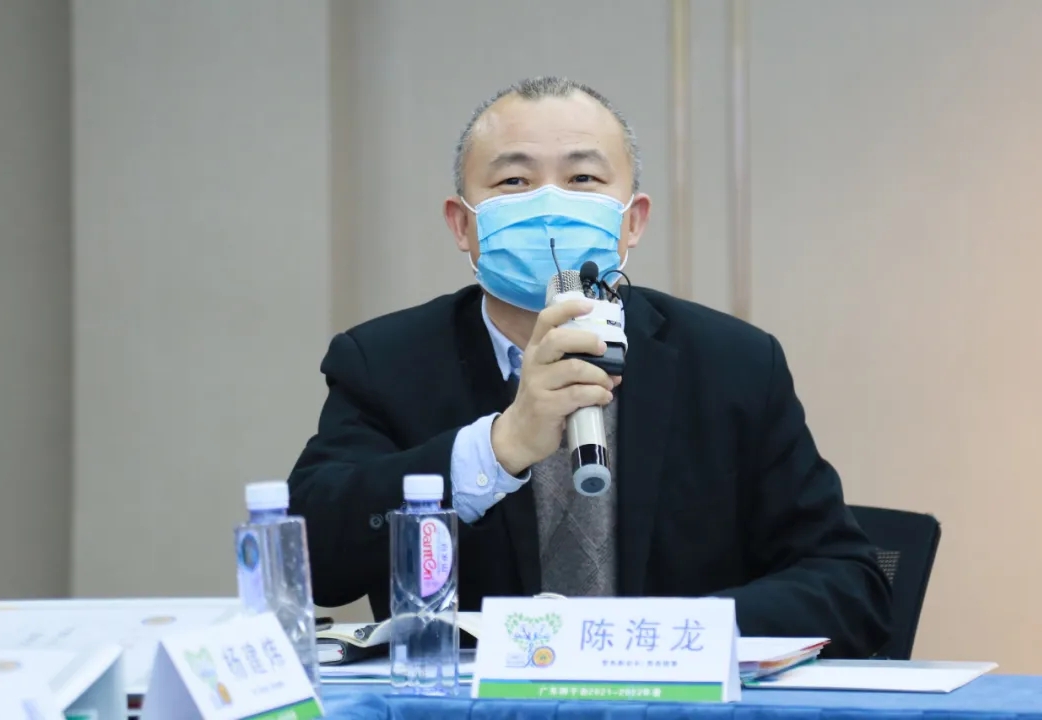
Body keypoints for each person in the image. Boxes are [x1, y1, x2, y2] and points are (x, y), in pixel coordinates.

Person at [288, 76, 892, 658]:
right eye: (515, 181)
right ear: (462, 224)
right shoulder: (385, 361)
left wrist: (669, 636)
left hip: (676, 702)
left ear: (633, 220)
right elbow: (313, 561)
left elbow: (849, 584)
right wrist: (498, 448)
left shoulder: (734, 363)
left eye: (582, 178)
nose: (550, 205)